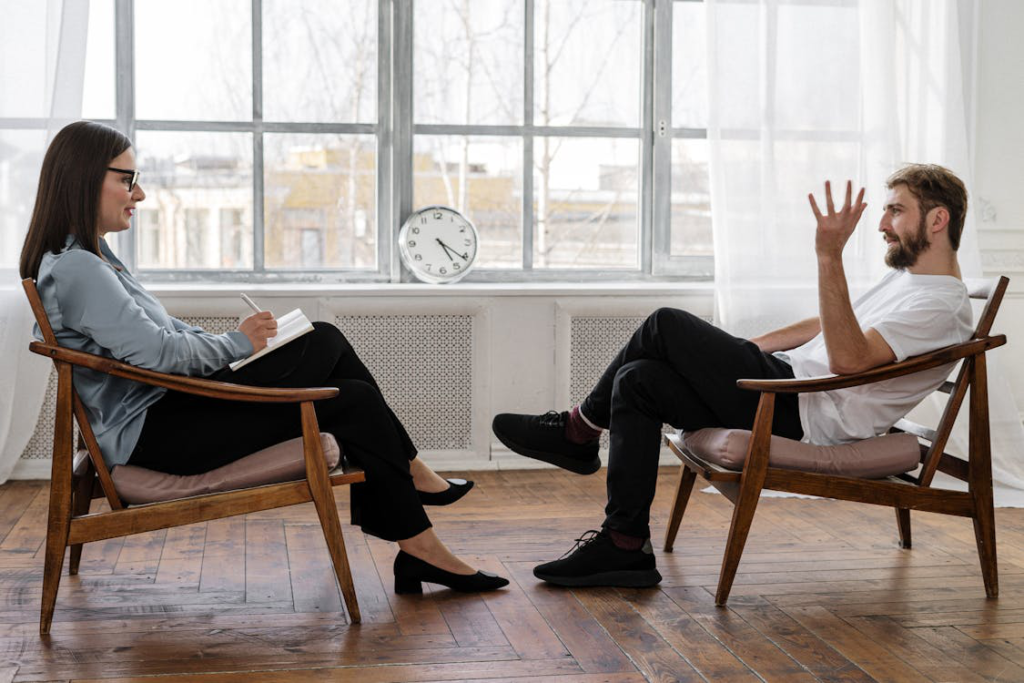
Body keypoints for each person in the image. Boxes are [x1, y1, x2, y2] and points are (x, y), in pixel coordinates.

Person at [20, 121, 507, 594]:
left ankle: (420, 543)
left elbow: (160, 335)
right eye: (128, 181)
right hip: (157, 434)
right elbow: (157, 354)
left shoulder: (92, 258)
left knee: (341, 372)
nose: (139, 195)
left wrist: (240, 343)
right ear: (85, 179)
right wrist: (238, 344)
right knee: (328, 350)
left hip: (167, 415)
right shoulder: (81, 267)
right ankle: (415, 492)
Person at [493, 165, 973, 588]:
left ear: (937, 219)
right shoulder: (909, 281)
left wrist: (828, 256)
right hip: (787, 385)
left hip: (802, 411)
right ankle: (624, 544)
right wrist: (744, 350)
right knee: (637, 378)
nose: (883, 225)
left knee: (665, 323)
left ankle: (578, 431)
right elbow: (827, 325)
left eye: (896, 211)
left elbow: (848, 360)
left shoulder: (939, 305)